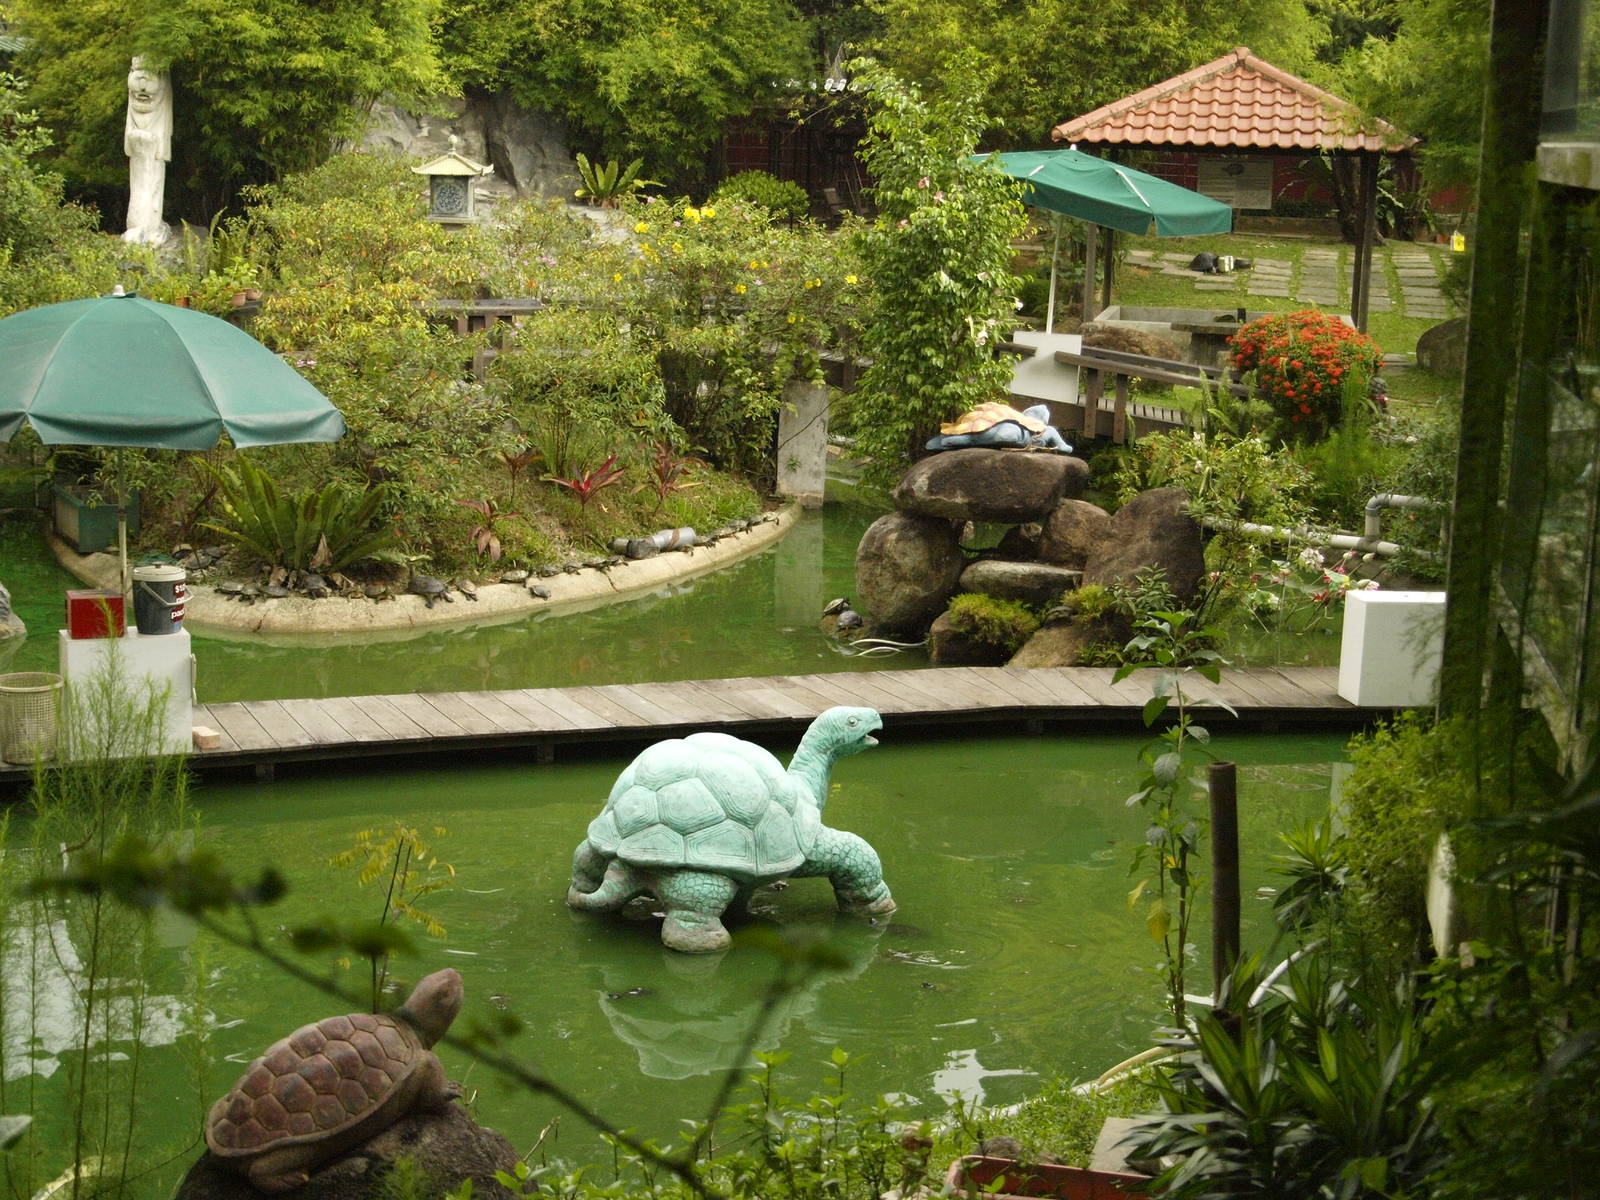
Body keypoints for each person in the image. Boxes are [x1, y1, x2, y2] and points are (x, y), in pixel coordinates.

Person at [123, 56, 172, 246]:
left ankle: (151, 227)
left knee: (153, 175)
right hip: (138, 151)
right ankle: (138, 227)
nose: (142, 87)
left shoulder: (162, 91)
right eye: (137, 77)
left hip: (155, 143)